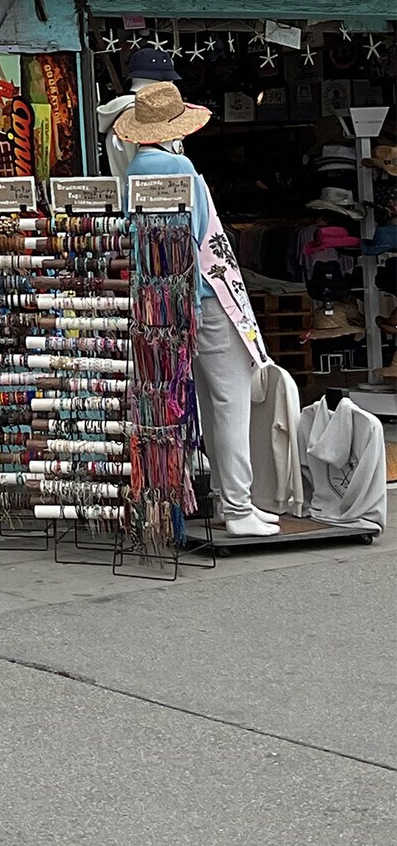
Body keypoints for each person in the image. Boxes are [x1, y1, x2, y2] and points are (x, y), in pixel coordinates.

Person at [114, 81, 280, 537]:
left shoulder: (133, 171)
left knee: (205, 400)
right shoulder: (180, 167)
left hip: (164, 301)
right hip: (205, 293)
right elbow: (200, 234)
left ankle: (231, 501)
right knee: (230, 399)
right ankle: (237, 504)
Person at [98, 45, 182, 195]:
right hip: (153, 199)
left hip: (123, 198)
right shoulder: (144, 118)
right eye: (170, 81)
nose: (172, 86)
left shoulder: (115, 114)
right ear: (162, 83)